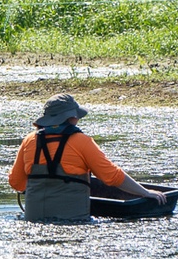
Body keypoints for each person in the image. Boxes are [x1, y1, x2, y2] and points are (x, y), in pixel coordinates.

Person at [9, 93, 166, 222]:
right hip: (74, 221)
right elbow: (112, 176)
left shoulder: (29, 140)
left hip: (33, 220)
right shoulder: (82, 142)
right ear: (71, 118)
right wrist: (145, 192)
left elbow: (16, 182)